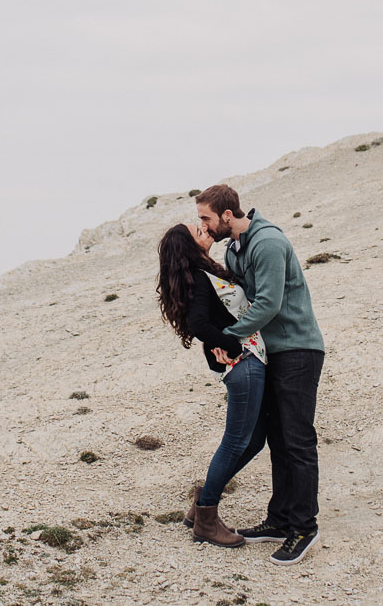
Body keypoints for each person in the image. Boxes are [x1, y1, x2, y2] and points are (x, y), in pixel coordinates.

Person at [195, 183, 325, 566]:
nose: (203, 225)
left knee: (298, 440)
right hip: (271, 353)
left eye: (206, 218)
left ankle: (304, 527)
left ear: (228, 216)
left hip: (297, 350)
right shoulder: (235, 249)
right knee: (278, 440)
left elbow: (267, 303)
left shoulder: (266, 242)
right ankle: (280, 520)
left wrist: (227, 338)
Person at [155, 221, 268, 548]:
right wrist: (231, 346)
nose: (205, 231)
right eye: (198, 232)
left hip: (246, 363)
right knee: (235, 442)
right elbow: (200, 323)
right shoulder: (201, 278)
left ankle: (202, 503)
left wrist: (220, 343)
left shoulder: (201, 273)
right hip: (244, 364)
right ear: (189, 247)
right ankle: (206, 518)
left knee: (255, 440)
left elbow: (211, 321)